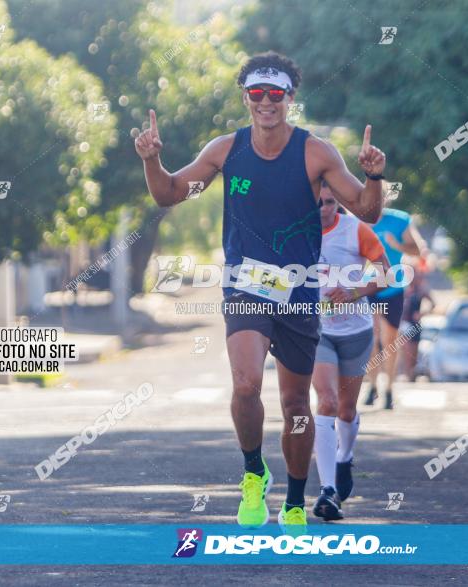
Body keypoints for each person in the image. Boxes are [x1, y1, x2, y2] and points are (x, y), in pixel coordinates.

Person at [134, 52, 386, 533]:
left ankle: (293, 497)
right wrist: (153, 161)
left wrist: (374, 176)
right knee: (246, 384)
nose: (266, 102)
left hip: (299, 293)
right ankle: (254, 472)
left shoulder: (317, 153)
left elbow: (366, 211)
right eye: (257, 93)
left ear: (290, 98)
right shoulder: (226, 150)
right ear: (245, 98)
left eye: (276, 93)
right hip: (246, 286)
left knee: (295, 407)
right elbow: (169, 193)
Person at [311, 184, 390, 521]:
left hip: (356, 332)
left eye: (330, 202)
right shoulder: (298, 230)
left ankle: (345, 459)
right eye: (317, 203)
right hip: (318, 332)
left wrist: (356, 290)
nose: (324, 208)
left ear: (339, 203)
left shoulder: (355, 230)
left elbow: (386, 274)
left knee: (346, 409)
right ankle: (328, 490)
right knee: (326, 402)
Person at [364, 206, 427, 409]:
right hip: (367, 286)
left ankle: (389, 390)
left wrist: (397, 244)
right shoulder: (358, 219)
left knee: (389, 340)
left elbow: (418, 250)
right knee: (370, 339)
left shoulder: (400, 219)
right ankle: (373, 387)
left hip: (392, 287)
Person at [400, 259, 434, 382]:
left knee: (413, 352)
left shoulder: (421, 289)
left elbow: (433, 304)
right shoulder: (403, 288)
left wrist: (421, 314)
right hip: (404, 324)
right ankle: (407, 374)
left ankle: (411, 376)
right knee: (406, 350)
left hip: (415, 324)